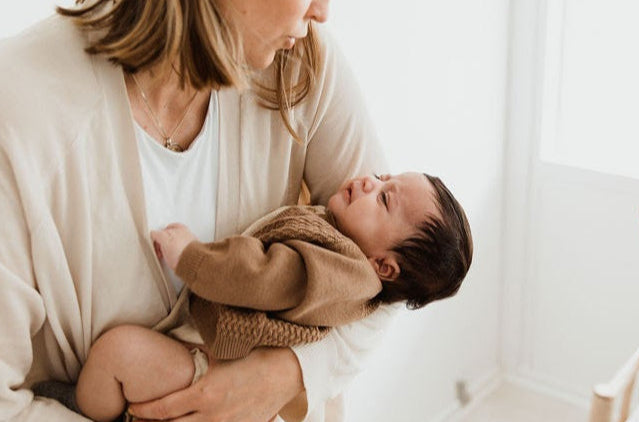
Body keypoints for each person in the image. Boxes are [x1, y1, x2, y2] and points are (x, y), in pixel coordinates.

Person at [0, 0, 419, 421]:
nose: (323, 12)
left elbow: (393, 273)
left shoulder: (303, 68)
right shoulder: (21, 110)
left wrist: (287, 372)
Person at [36, 171, 473, 422]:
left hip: (214, 364)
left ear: (384, 267)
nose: (368, 181)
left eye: (383, 198)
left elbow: (262, 277)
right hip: (218, 367)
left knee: (118, 352)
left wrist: (190, 256)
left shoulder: (340, 273)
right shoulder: (341, 249)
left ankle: (87, 408)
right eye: (383, 177)